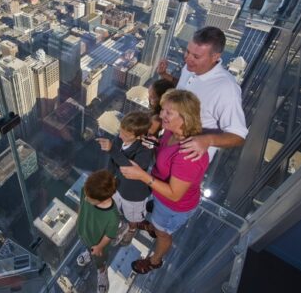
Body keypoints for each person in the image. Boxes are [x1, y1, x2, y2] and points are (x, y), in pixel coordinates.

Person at [120, 89, 209, 274]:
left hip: (173, 206)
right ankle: (153, 226)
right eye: (162, 110)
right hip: (161, 197)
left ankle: (155, 261)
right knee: (158, 224)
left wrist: (142, 175)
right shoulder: (172, 133)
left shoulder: (188, 155)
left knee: (163, 234)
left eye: (168, 112)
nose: (161, 115)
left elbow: (175, 194)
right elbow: (164, 154)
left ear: (185, 117)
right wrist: (155, 143)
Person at [156, 27, 248, 161]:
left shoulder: (226, 89)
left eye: (196, 56)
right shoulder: (190, 67)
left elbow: (238, 136)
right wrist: (165, 75)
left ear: (215, 57)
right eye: (187, 52)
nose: (188, 58)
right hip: (170, 140)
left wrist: (207, 140)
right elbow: (185, 89)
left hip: (189, 158)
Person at [96, 112, 153, 246]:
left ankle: (132, 229)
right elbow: (113, 160)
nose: (121, 136)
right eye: (121, 131)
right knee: (114, 207)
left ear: (139, 136)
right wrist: (107, 177)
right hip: (118, 186)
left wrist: (112, 150)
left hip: (134, 195)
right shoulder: (120, 139)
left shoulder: (145, 151)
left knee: (132, 216)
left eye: (126, 135)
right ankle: (121, 225)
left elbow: (130, 170)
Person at [76, 169, 120, 293]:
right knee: (88, 247)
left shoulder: (112, 216)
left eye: (89, 199)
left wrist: (100, 247)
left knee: (99, 259)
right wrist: (79, 218)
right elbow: (81, 204)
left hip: (98, 242)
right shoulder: (87, 192)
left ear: (102, 199)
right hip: (84, 232)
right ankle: (89, 253)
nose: (86, 199)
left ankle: (102, 271)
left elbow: (109, 235)